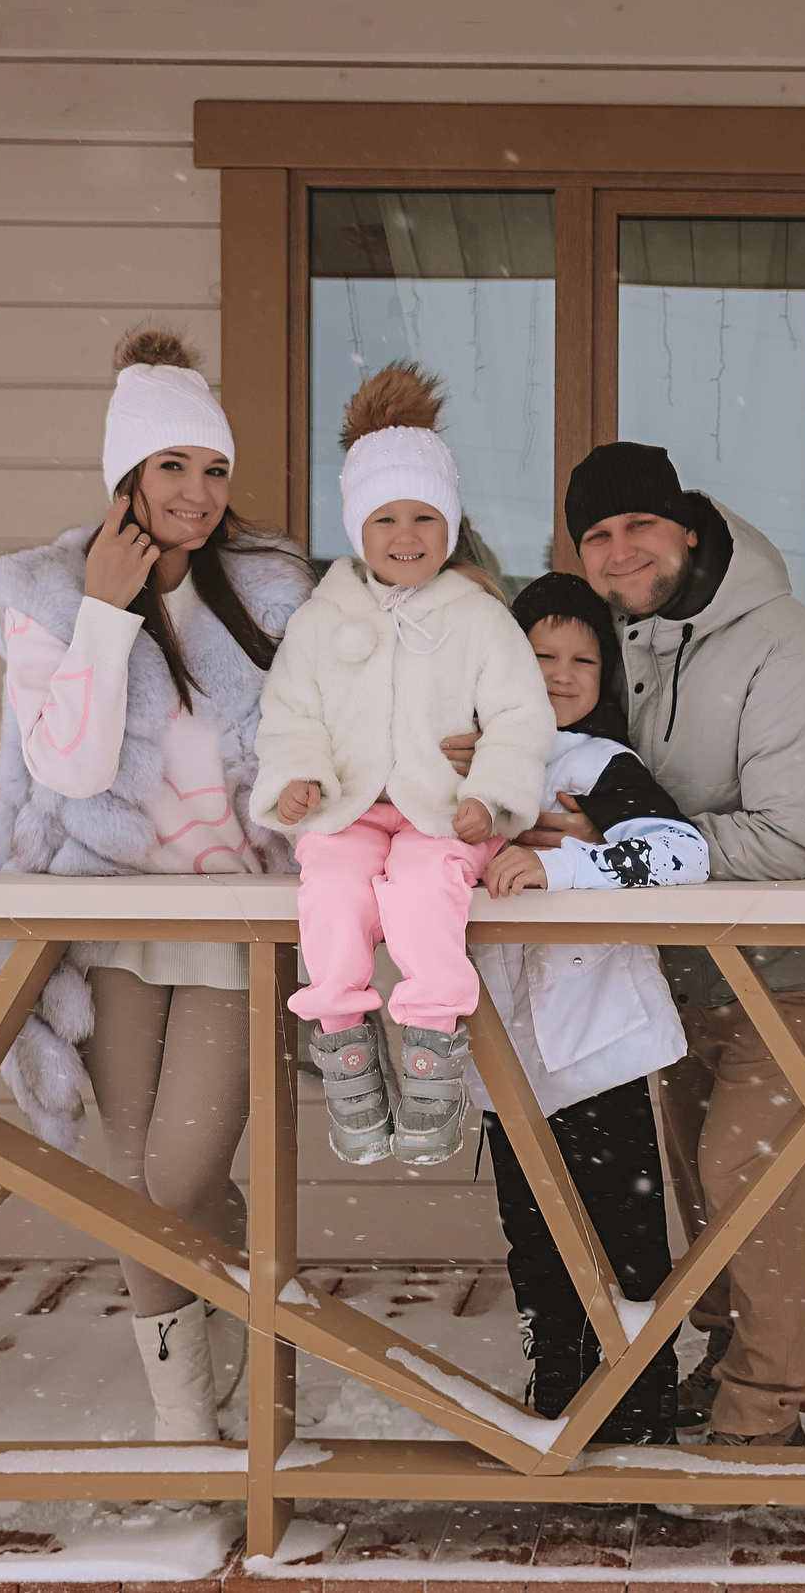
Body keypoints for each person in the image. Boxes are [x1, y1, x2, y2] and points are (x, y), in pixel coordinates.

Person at [0, 327, 314, 1441]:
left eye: (214, 469)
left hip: (241, 919)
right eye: (173, 466)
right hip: (113, 918)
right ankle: (190, 1415)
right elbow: (66, 766)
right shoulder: (43, 593)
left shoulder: (272, 596)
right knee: (138, 1184)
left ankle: (267, 1336)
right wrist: (105, 614)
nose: (200, 492)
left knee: (178, 1174)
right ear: (127, 473)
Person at [557, 440, 805, 1447]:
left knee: (744, 1166)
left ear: (686, 526)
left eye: (637, 525)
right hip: (681, 967)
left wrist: (623, 848)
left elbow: (789, 839)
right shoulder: (619, 641)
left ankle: (766, 1405)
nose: (618, 551)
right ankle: (727, 1355)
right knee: (697, 1170)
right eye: (596, 536)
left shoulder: (788, 645)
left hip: (786, 963)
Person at [249, 364, 554, 1170]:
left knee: (425, 895)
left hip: (441, 814)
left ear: (450, 526)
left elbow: (523, 718)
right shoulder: (322, 620)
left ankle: (429, 1049)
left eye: (425, 516)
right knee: (334, 894)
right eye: (386, 518)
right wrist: (298, 780)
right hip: (348, 809)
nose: (406, 533)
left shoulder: (479, 620)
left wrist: (491, 796)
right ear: (358, 529)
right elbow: (291, 716)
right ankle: (345, 1041)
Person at [468, 573, 709, 1444]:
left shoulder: (595, 765)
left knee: (624, 1236)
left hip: (599, 1044)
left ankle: (641, 1410)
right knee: (535, 1237)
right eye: (541, 656)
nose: (563, 674)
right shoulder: (469, 762)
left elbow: (680, 853)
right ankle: (561, 1403)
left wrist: (561, 866)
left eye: (584, 659)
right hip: (501, 1050)